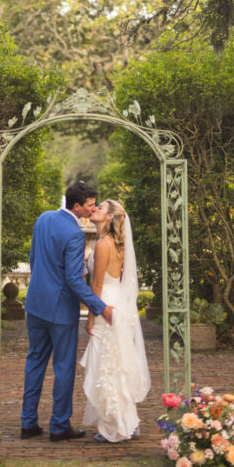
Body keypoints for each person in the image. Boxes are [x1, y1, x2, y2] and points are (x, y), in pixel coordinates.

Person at [21, 181, 113, 442]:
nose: (93, 208)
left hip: (35, 304)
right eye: (90, 205)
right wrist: (100, 306)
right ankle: (59, 426)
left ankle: (28, 423)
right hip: (60, 310)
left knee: (34, 363)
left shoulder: (43, 218)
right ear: (77, 206)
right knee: (63, 368)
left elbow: (35, 259)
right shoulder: (74, 233)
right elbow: (73, 280)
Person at [80, 199, 151, 442]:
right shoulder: (117, 244)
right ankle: (127, 421)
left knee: (106, 366)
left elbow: (97, 285)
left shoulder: (103, 244)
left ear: (110, 217)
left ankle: (114, 427)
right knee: (117, 364)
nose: (95, 209)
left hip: (105, 307)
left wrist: (91, 318)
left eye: (101, 207)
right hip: (118, 304)